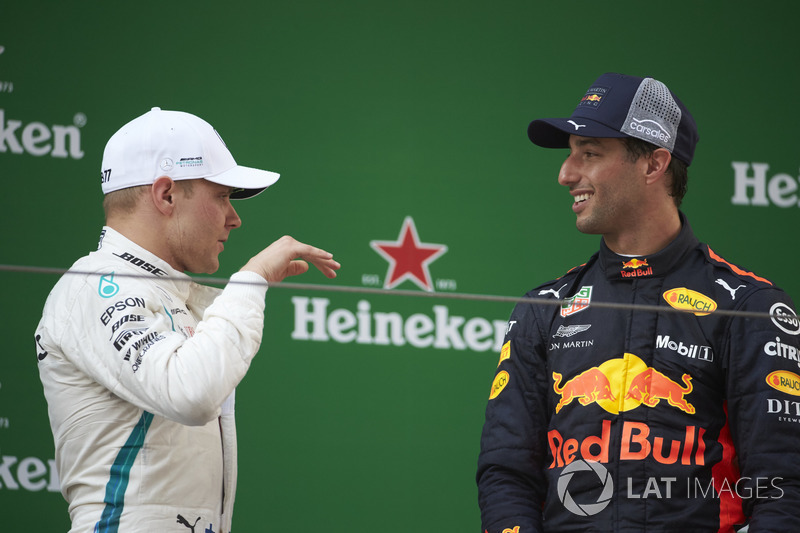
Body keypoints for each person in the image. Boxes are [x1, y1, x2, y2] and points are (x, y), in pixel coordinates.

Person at [476, 73, 800, 532]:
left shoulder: (750, 306)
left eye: (588, 154)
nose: (566, 174)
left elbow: (784, 487)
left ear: (654, 165)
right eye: (570, 154)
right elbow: (506, 475)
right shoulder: (543, 308)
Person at [35, 107, 340, 533]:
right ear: (166, 195)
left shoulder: (161, 292)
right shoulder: (95, 285)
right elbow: (190, 393)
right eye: (221, 196)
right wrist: (252, 279)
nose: (235, 218)